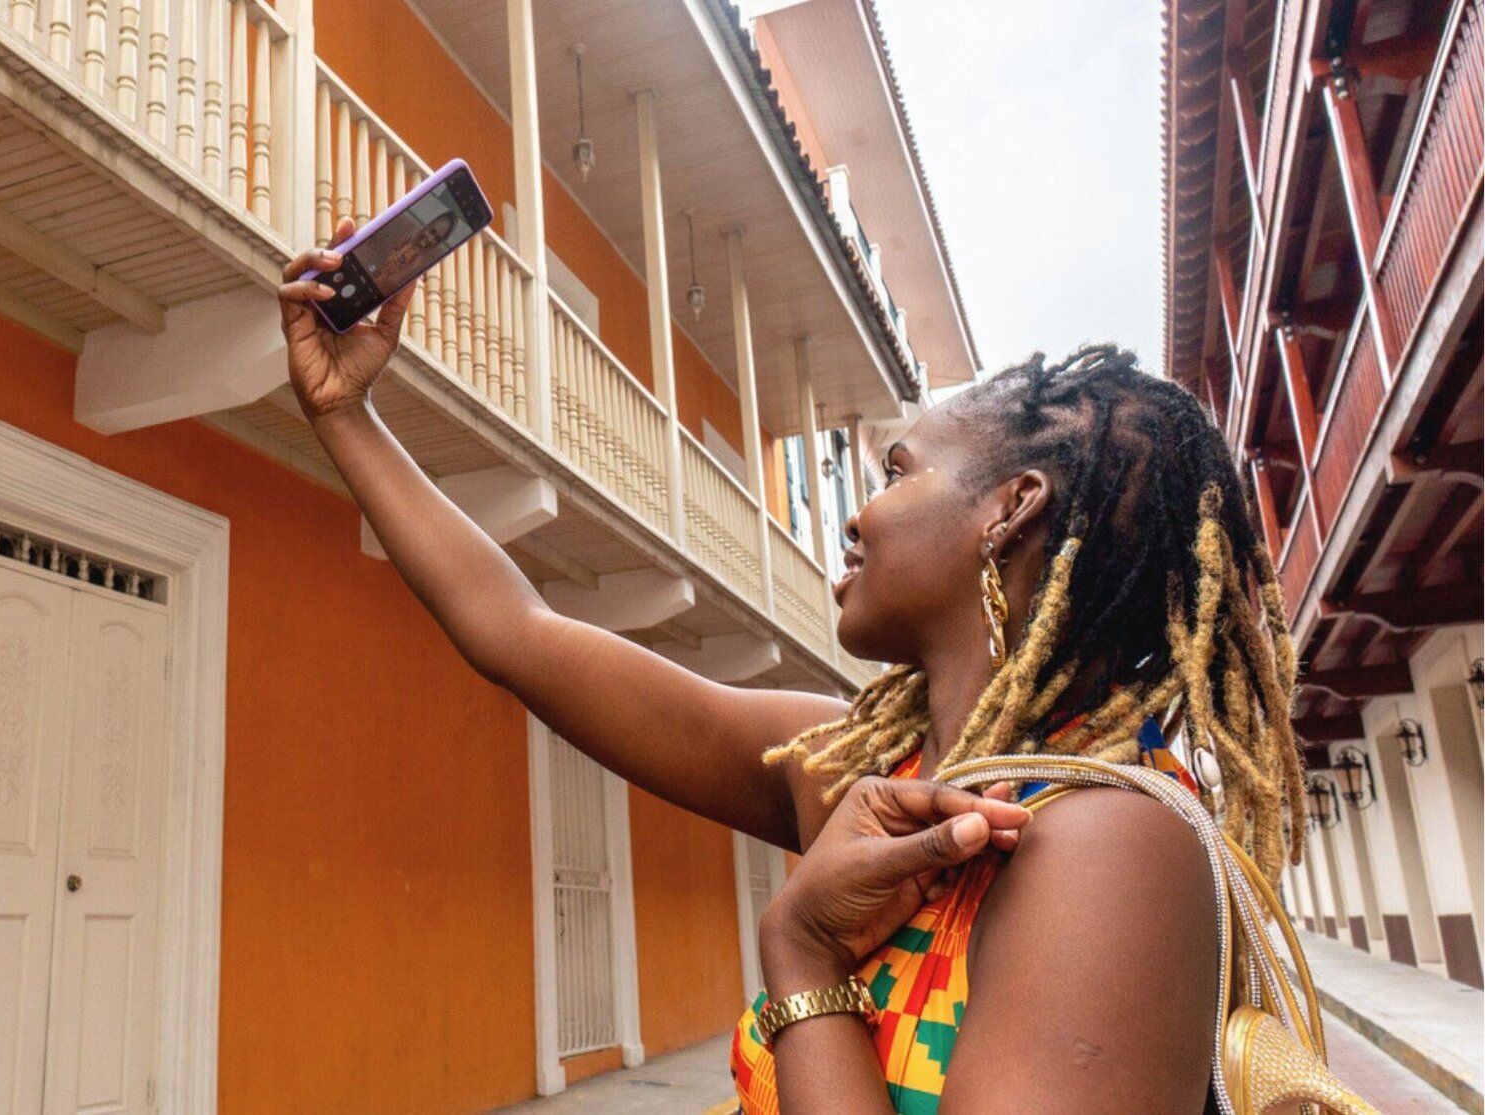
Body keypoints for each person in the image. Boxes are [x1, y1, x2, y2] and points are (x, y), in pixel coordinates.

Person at [278, 218, 1305, 1114]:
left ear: (1008, 508)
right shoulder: (882, 773)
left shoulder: (1103, 845)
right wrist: (343, 413)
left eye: (896, 472)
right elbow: (518, 632)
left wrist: (802, 956)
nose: (855, 513)